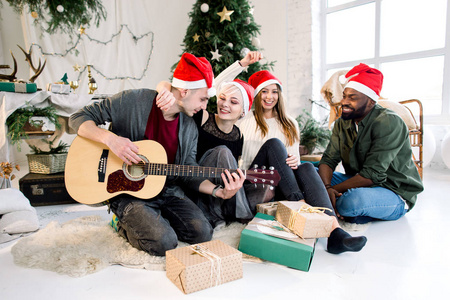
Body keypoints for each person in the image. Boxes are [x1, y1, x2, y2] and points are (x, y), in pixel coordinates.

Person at [69, 53, 245, 256]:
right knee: (163, 243)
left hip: (167, 191)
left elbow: (189, 172)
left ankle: (154, 218)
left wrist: (219, 192)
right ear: (185, 91)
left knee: (203, 233)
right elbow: (78, 117)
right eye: (203, 98)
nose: (205, 106)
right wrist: (111, 140)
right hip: (127, 192)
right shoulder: (133, 101)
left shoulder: (189, 127)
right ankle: (122, 221)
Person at [238, 70, 367, 254]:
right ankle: (301, 206)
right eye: (264, 91)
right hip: (254, 180)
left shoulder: (290, 123)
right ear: (257, 94)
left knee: (306, 166)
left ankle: (335, 233)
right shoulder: (244, 120)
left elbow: (292, 164)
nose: (269, 96)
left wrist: (293, 160)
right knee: (274, 144)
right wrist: (240, 64)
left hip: (281, 185)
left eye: (274, 91)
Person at [156, 51, 262, 229]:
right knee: (222, 152)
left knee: (233, 171)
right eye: (222, 98)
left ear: (243, 112)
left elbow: (227, 177)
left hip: (215, 192)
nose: (225, 104)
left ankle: (224, 214)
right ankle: (243, 217)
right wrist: (241, 64)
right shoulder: (202, 117)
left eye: (233, 102)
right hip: (192, 183)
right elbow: (211, 85)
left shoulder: (239, 136)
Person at [318, 63, 424, 224]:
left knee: (351, 201)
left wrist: (331, 190)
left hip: (392, 190)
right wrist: (326, 188)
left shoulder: (388, 122)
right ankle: (336, 206)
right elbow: (328, 160)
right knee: (307, 170)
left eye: (352, 98)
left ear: (370, 101)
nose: (344, 102)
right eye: (344, 95)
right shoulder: (342, 123)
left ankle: (334, 205)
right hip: (357, 181)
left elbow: (371, 175)